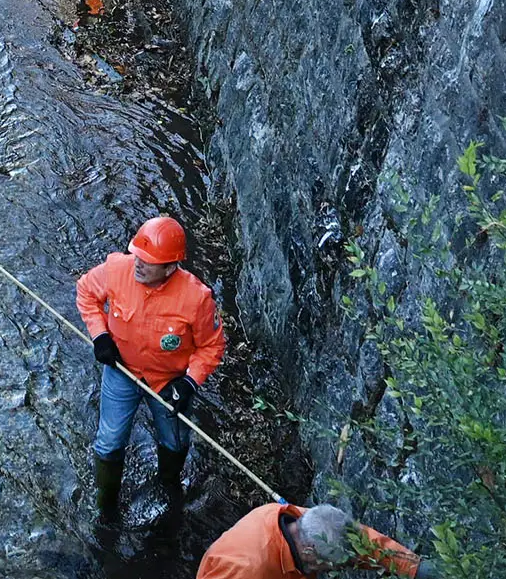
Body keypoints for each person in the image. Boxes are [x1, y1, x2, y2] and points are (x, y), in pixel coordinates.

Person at [76, 214, 225, 519]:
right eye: (137, 255)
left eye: (147, 260)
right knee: (108, 442)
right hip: (121, 372)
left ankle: (169, 485)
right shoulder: (118, 268)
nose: (138, 264)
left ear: (170, 268)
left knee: (175, 440)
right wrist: (100, 335)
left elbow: (212, 346)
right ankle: (106, 508)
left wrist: (189, 383)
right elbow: (86, 293)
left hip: (169, 383)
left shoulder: (197, 299)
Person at [197, 502, 427, 578]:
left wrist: (414, 567)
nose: (334, 570)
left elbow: (365, 543)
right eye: (334, 565)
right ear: (309, 552)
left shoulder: (310, 521)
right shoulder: (246, 570)